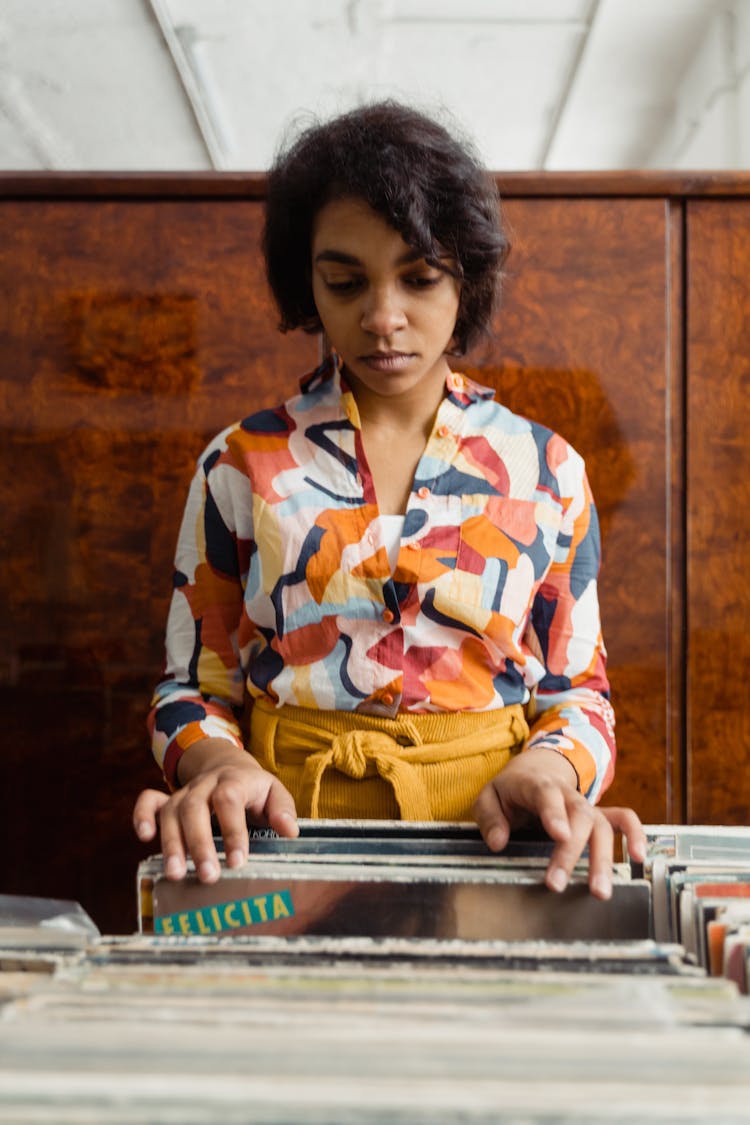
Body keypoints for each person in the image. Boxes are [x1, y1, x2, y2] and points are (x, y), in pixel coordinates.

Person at [133, 101, 646, 899]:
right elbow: (191, 688)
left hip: (500, 848)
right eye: (345, 282)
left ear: (466, 276)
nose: (382, 318)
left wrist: (550, 766)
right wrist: (220, 762)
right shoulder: (239, 463)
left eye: (419, 277)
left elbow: (579, 692)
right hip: (274, 847)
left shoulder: (547, 469)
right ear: (308, 281)